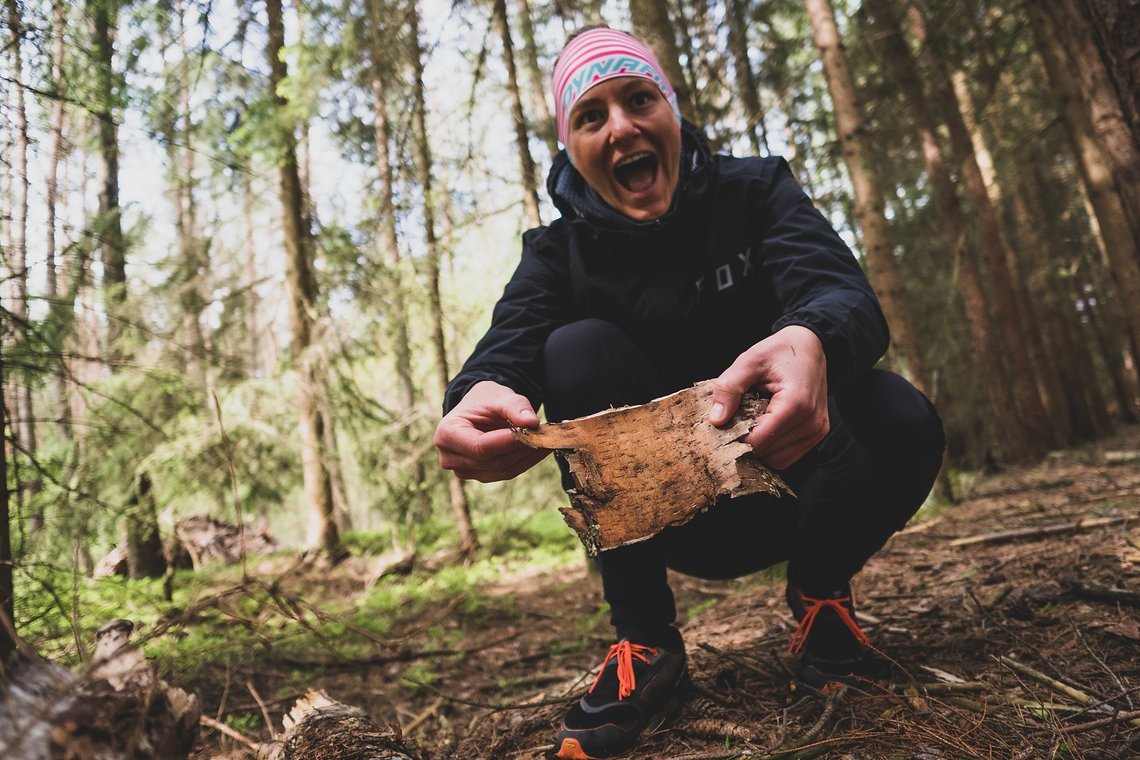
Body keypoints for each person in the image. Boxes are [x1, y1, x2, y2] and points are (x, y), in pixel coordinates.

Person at [434, 26, 945, 760]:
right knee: (574, 348)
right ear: (568, 146)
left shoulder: (756, 190)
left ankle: (821, 598)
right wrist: (479, 394)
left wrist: (810, 340)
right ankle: (644, 642)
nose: (621, 127)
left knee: (902, 416)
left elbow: (841, 292)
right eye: (590, 116)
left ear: (671, 110)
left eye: (639, 99)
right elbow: (507, 348)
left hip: (807, 486)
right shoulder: (557, 254)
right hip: (676, 522)